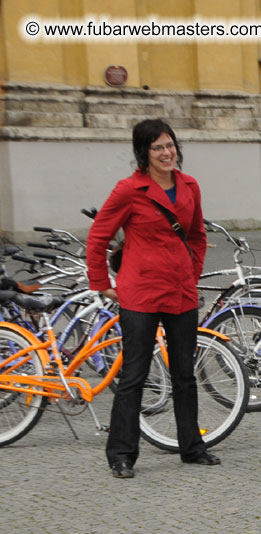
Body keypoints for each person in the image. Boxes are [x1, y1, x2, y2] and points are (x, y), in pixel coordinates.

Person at [86, 118, 215, 478]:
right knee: (135, 375)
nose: (166, 152)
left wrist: (192, 273)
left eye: (170, 145)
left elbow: (197, 235)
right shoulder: (129, 190)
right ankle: (122, 454)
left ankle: (192, 446)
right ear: (143, 153)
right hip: (140, 294)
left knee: (185, 375)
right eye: (158, 147)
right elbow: (98, 237)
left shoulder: (189, 186)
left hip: (181, 292)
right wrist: (101, 281)